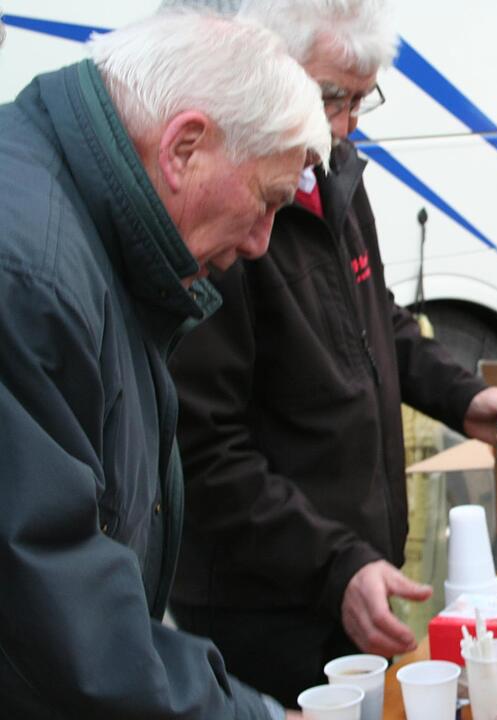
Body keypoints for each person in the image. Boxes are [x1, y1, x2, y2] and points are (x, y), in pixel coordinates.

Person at [166, 0, 497, 707]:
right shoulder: (227, 217)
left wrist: (463, 397)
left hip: (343, 574)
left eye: (360, 99)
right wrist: (336, 564)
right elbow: (205, 454)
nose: (348, 122)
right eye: (332, 96)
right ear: (261, 73)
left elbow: (378, 323)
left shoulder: (336, 174)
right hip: (261, 601)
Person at [0, 10, 328, 720]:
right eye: (267, 201)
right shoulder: (33, 274)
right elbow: (59, 607)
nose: (262, 244)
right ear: (184, 148)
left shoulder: (82, 236)